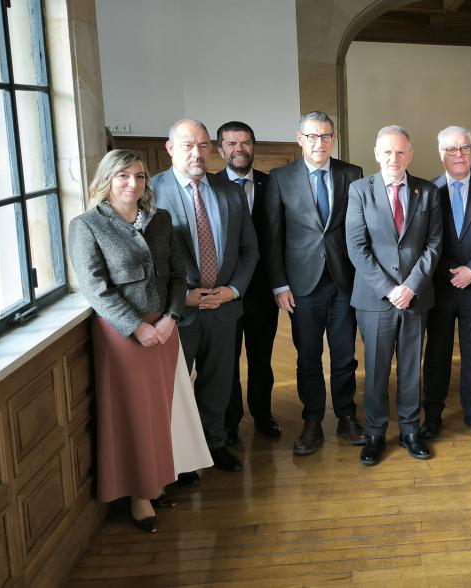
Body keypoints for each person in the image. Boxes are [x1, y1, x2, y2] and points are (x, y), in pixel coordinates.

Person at [69, 149, 212, 533]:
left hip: (164, 329)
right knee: (133, 414)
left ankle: (160, 478)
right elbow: (96, 289)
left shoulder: (160, 220)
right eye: (123, 176)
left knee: (162, 411)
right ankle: (139, 494)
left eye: (140, 176)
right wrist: (136, 327)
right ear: (107, 180)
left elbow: (178, 277)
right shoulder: (87, 226)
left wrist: (170, 318)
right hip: (123, 336)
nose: (133, 183)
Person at [151, 118, 259, 476]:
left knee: (218, 385)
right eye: (187, 146)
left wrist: (232, 290)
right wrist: (184, 297)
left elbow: (249, 250)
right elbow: (146, 261)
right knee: (176, 390)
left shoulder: (228, 191)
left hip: (224, 309)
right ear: (170, 149)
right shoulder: (151, 192)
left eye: (202, 146)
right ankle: (180, 459)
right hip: (177, 314)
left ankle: (214, 445)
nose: (196, 153)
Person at [264, 112, 366, 455]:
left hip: (342, 282)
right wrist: (279, 284)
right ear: (299, 138)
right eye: (312, 136)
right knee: (308, 357)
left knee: (344, 355)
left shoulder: (352, 174)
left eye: (325, 137)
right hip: (300, 285)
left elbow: (357, 230)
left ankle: (347, 416)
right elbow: (273, 236)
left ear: (333, 139)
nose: (318, 143)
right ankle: (312, 421)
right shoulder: (280, 178)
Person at [345, 125, 442, 466]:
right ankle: (374, 432)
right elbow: (357, 248)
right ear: (376, 153)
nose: (394, 158)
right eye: (387, 152)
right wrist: (390, 289)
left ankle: (410, 429)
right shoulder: (360, 191)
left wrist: (411, 286)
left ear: (410, 155)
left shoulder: (427, 192)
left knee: (411, 367)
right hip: (375, 299)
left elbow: (433, 245)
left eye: (400, 152)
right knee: (376, 368)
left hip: (416, 296)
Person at [420, 126, 471, 438]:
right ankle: (432, 414)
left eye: (464, 148)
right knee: (437, 353)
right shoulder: (427, 192)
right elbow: (424, 241)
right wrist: (449, 271)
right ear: (440, 153)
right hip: (439, 288)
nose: (459, 155)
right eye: (451, 149)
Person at [216, 120, 282, 444]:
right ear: (221, 149)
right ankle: (230, 422)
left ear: (254, 146)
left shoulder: (274, 186)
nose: (239, 149)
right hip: (224, 293)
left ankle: (263, 414)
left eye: (245, 143)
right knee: (226, 362)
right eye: (231, 143)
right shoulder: (211, 186)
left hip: (262, 293)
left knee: (261, 360)